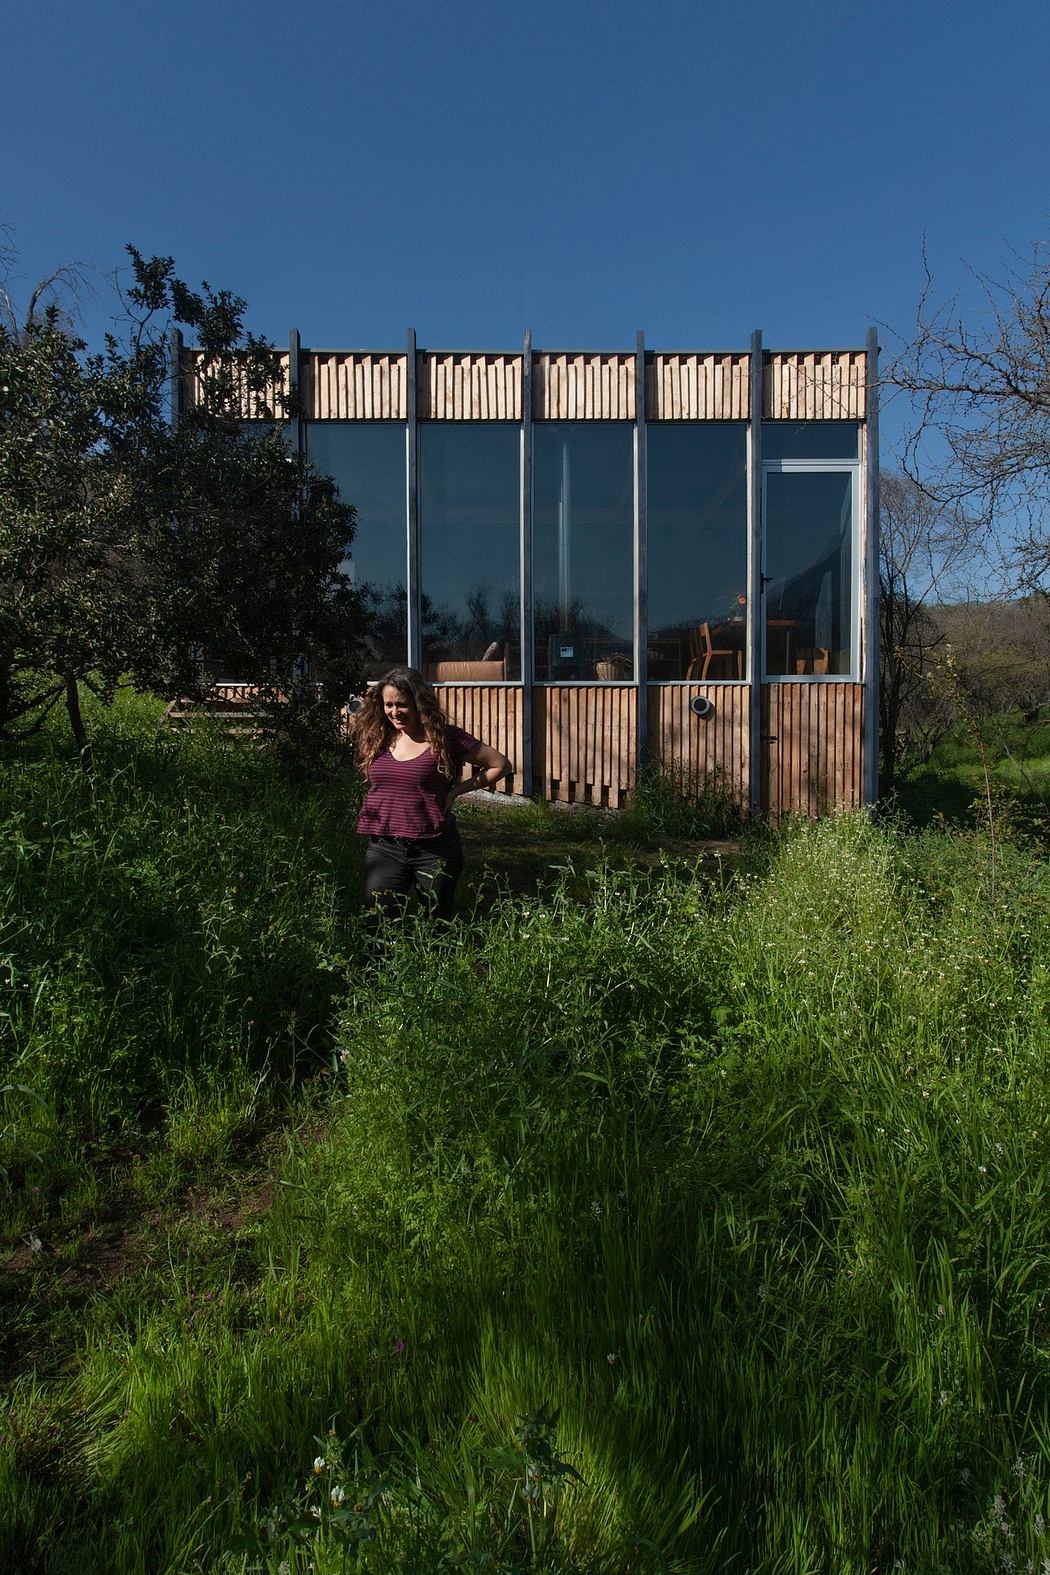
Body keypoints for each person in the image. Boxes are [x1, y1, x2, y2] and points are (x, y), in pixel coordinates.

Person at [353, 667, 512, 922]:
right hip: (384, 847)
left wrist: (456, 792)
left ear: (419, 701)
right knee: (378, 922)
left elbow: (500, 765)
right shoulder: (377, 738)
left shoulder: (446, 738)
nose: (395, 712)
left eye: (402, 704)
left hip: (434, 848)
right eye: (388, 705)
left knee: (436, 924)